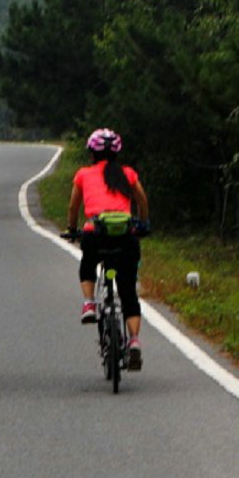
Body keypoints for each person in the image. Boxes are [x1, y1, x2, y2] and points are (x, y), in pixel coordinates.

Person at [63, 128, 150, 370]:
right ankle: (133, 341)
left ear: (92, 152)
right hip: (125, 235)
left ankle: (89, 303)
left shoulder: (83, 174)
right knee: (128, 292)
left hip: (96, 234)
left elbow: (73, 207)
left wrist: (72, 229)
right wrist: (142, 224)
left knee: (88, 263)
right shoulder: (128, 174)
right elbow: (142, 200)